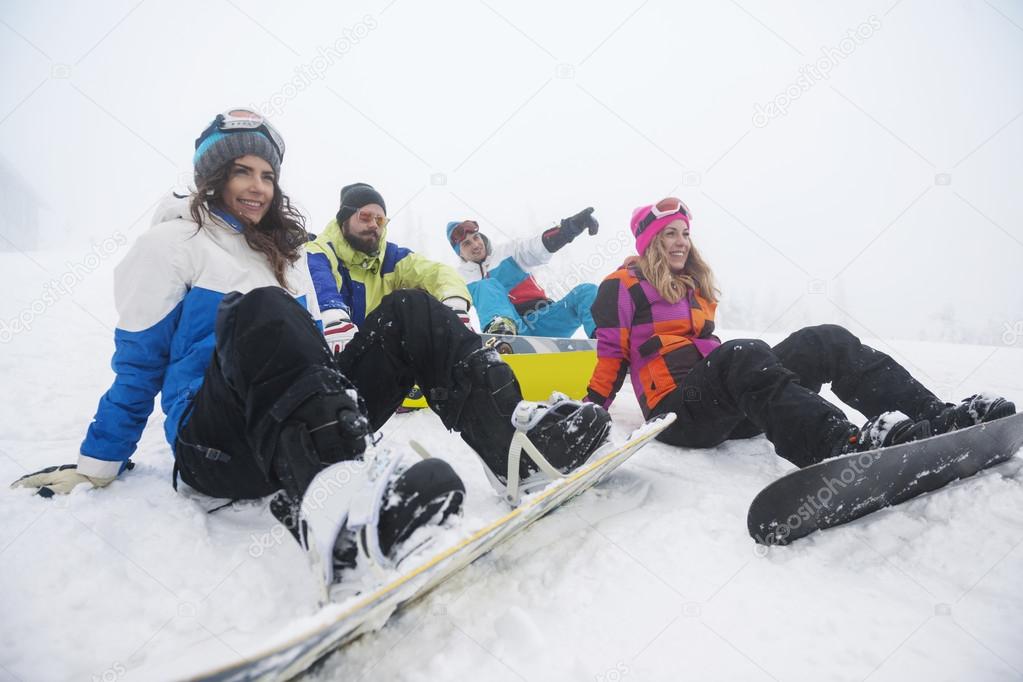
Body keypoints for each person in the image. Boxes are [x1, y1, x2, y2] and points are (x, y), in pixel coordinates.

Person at [10, 109, 611, 582]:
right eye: (242, 171)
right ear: (212, 177)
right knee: (261, 309)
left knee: (407, 311)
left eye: (267, 174)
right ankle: (339, 520)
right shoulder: (171, 247)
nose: (257, 186)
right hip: (215, 446)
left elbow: (314, 361)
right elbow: (138, 368)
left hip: (300, 430)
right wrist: (97, 467)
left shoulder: (283, 258)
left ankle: (514, 453)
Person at [586, 197, 1016, 467]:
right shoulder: (621, 286)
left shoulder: (694, 287)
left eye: (684, 233)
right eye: (668, 235)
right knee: (742, 351)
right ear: (648, 243)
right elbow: (611, 356)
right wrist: (588, 411)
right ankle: (839, 444)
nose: (680, 242)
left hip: (731, 409)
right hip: (679, 413)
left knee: (823, 338)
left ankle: (935, 416)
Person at [308, 183, 473, 354]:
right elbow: (317, 276)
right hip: (323, 355)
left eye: (380, 220)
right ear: (344, 220)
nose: (373, 225)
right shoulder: (319, 251)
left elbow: (435, 272)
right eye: (364, 216)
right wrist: (333, 318)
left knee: (410, 301)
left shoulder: (391, 258)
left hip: (374, 361)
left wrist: (455, 306)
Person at [447, 207, 600, 338]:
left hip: (546, 319)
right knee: (486, 286)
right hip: (513, 332)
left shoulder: (508, 252)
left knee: (586, 291)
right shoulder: (459, 279)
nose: (475, 245)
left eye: (476, 237)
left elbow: (536, 248)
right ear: (459, 253)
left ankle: (606, 339)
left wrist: (571, 228)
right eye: (467, 243)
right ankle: (502, 332)